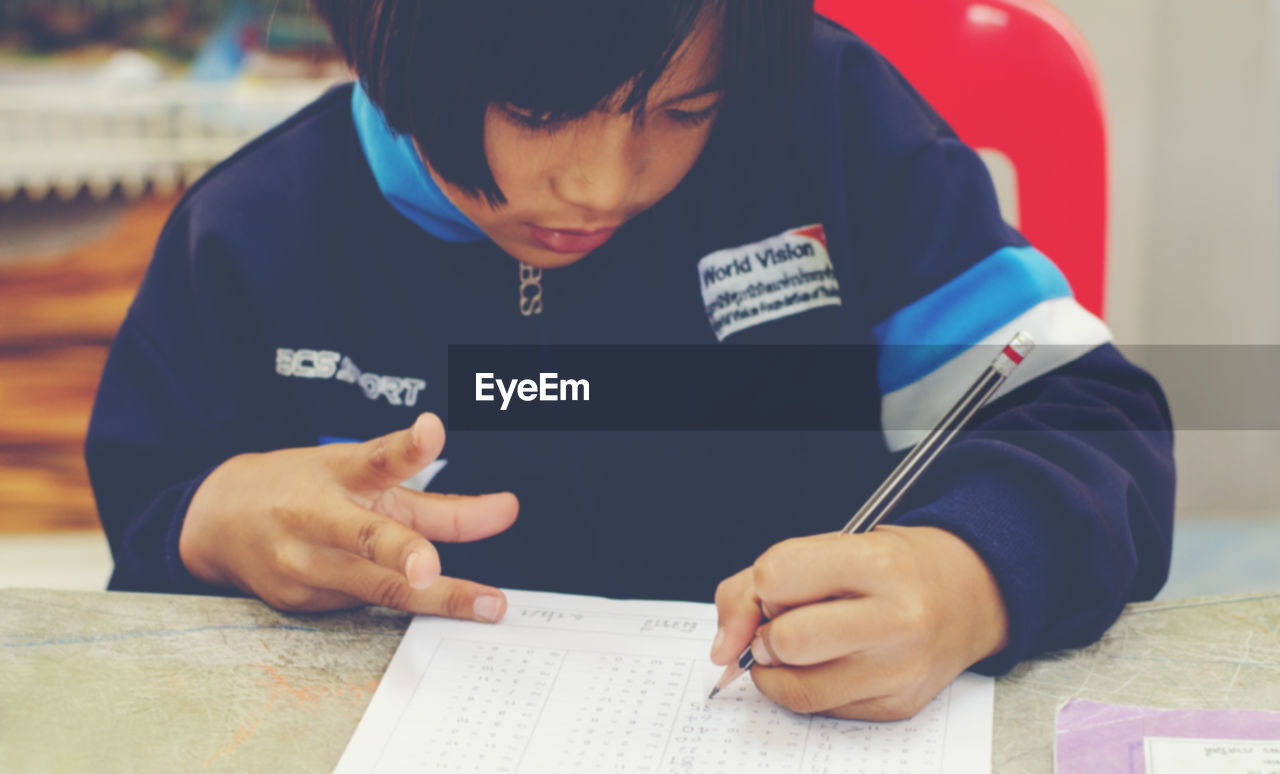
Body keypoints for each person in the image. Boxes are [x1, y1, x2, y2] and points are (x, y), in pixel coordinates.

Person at [86, 0, 1175, 721]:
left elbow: (1090, 419)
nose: (602, 185)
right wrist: (216, 520)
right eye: (535, 111)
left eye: (683, 109)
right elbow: (150, 505)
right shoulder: (255, 232)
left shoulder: (830, 133)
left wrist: (969, 577)